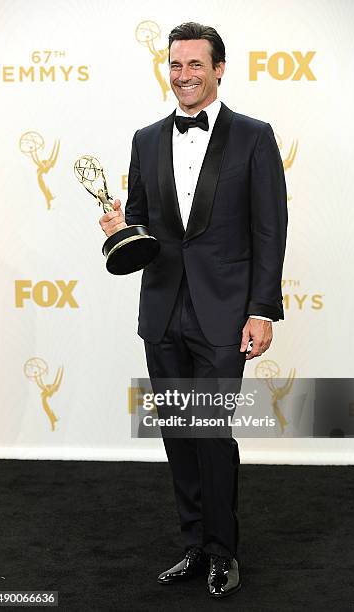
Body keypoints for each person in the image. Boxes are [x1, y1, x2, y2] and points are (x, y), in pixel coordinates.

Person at [99, 22, 288, 599]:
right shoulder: (146, 138)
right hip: (161, 311)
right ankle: (193, 544)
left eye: (195, 65)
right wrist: (118, 231)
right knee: (179, 432)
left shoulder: (254, 136)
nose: (183, 76)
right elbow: (143, 231)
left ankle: (223, 550)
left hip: (225, 313)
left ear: (219, 68)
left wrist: (261, 310)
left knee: (211, 432)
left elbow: (269, 228)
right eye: (175, 66)